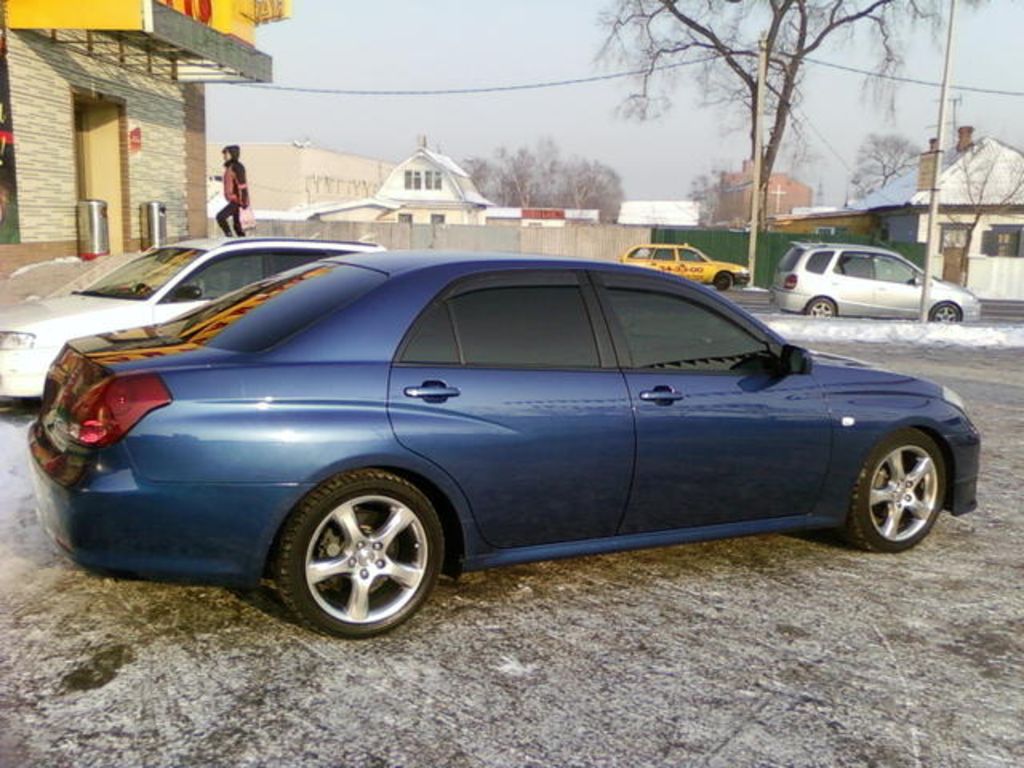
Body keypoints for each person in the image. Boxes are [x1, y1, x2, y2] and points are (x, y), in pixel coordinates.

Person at [216, 145, 249, 237]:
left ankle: (229, 238)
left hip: (237, 201)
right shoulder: (230, 167)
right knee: (237, 226)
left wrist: (244, 202)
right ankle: (242, 244)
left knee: (220, 217)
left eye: (226, 154)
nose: (224, 157)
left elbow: (242, 185)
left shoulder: (237, 167)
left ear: (232, 154)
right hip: (234, 200)